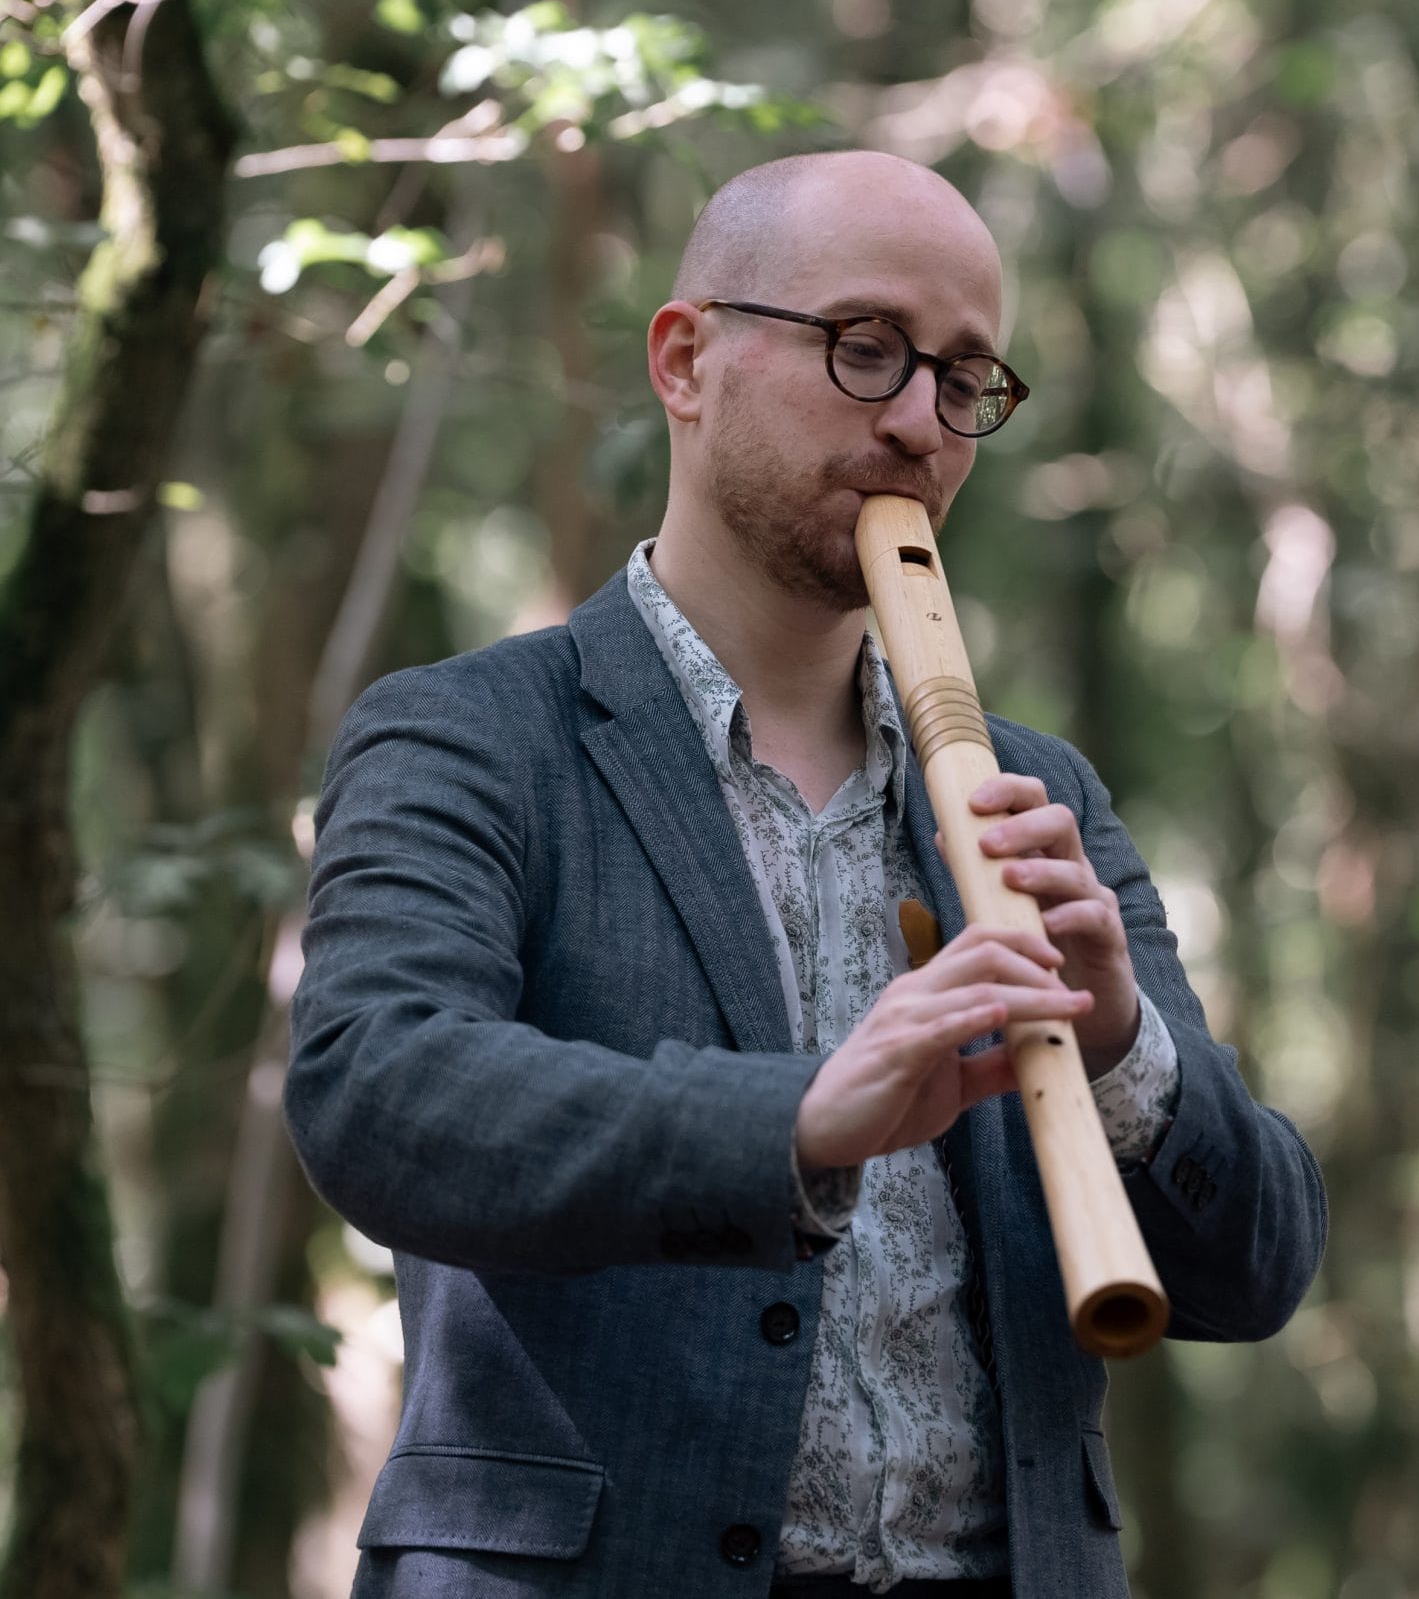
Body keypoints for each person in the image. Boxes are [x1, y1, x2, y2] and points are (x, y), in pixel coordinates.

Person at [284, 149, 1329, 1599]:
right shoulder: (474, 733)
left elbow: (1259, 1263)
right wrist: (797, 1116)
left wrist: (1123, 1052)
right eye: (867, 349)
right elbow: (378, 1093)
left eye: (966, 380)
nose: (920, 423)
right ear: (685, 358)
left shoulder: (1043, 792)